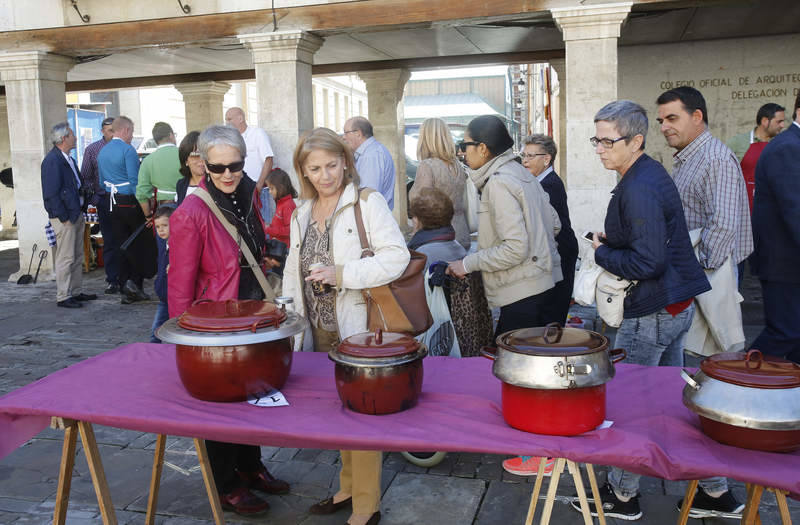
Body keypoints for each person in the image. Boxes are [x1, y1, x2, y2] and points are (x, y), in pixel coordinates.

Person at [569, 100, 710, 521]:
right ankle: (716, 490)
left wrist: (603, 252)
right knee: (672, 399)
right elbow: (654, 240)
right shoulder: (645, 173)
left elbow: (649, 263)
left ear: (636, 141)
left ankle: (622, 495)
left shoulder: (639, 186)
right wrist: (617, 237)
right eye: (596, 139)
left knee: (631, 402)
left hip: (652, 310)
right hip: (672, 304)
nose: (599, 148)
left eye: (608, 140)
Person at [283, 127, 409, 525]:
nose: (325, 176)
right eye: (315, 168)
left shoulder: (366, 203)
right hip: (316, 330)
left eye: (332, 165)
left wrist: (343, 273)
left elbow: (396, 257)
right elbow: (292, 270)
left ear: (346, 163)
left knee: (363, 415)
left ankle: (366, 505)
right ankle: (348, 487)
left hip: (359, 327)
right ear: (303, 172)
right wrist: (285, 316)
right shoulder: (301, 213)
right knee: (338, 413)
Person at [168, 125, 289, 516]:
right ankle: (226, 482)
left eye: (234, 165)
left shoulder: (247, 194)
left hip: (250, 311)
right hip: (214, 321)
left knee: (249, 392)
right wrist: (185, 337)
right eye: (217, 167)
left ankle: (250, 466)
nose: (227, 174)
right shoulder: (191, 211)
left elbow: (251, 244)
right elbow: (180, 281)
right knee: (218, 403)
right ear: (202, 164)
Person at [656, 86, 747, 518]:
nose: (664, 127)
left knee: (701, 383)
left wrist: (692, 275)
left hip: (705, 283)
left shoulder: (713, 158)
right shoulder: (692, 158)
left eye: (672, 118)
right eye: (661, 120)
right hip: (696, 282)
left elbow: (724, 228)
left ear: (698, 116)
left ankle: (719, 489)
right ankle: (715, 490)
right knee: (695, 384)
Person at [446, 115, 562, 335]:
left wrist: (467, 264)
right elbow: (554, 224)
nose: (462, 152)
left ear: (482, 148)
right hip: (541, 284)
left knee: (511, 363)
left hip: (522, 291)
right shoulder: (519, 172)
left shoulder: (499, 182)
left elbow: (516, 248)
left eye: (464, 145)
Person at [408, 187, 493, 358]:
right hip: (458, 332)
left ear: (417, 221)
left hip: (434, 335)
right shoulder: (457, 248)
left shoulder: (420, 255)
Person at [749, 91, 800, 364]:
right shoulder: (789, 148)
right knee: (785, 333)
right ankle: (735, 386)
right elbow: (796, 210)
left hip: (789, 264)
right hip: (785, 265)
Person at [520, 134, 578, 325]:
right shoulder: (539, 182)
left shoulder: (549, 185)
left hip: (560, 254)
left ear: (546, 159)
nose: (525, 160)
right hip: (554, 254)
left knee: (550, 317)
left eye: (530, 156)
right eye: (524, 155)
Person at [41, 122, 98, 308]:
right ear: (64, 138)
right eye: (72, 134)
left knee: (77, 255)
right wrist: (63, 217)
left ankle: (75, 291)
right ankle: (63, 296)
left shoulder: (68, 159)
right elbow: (51, 193)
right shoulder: (52, 161)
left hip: (76, 213)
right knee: (65, 257)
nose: (74, 137)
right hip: (66, 217)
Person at [97, 116, 150, 304]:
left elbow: (102, 181)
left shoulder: (102, 151)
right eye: (132, 132)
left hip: (111, 202)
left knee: (119, 243)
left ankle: (122, 283)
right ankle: (134, 284)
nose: (132, 136)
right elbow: (135, 181)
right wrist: (145, 205)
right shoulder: (128, 150)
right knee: (136, 243)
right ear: (126, 130)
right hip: (128, 201)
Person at [408, 118, 470, 249]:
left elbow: (424, 207)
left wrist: (415, 233)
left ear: (425, 138)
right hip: (461, 233)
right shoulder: (458, 165)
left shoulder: (427, 166)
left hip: (437, 239)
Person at [80, 116, 120, 294]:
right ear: (102, 131)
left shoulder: (124, 148)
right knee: (110, 240)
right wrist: (95, 198)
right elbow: (85, 178)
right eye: (110, 130)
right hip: (104, 201)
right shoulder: (92, 150)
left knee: (125, 239)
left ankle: (128, 277)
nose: (113, 133)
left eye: (115, 130)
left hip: (123, 199)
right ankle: (112, 280)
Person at [727, 102, 785, 212]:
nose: (782, 126)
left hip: (773, 210)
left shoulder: (782, 144)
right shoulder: (737, 143)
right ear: (764, 121)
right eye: (779, 122)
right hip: (743, 210)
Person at [225, 107, 275, 224]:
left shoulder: (257, 133)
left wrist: (258, 186)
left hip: (257, 192)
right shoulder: (230, 139)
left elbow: (268, 159)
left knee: (262, 226)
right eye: (226, 119)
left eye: (229, 119)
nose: (226, 123)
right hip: (237, 191)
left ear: (240, 118)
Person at [342, 116, 395, 209]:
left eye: (346, 133)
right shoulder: (372, 152)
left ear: (358, 133)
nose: (343, 137)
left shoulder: (371, 156)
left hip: (371, 218)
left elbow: (367, 197)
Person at [136, 121, 182, 216]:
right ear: (171, 135)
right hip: (187, 204)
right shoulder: (184, 155)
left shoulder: (148, 160)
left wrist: (148, 216)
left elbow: (142, 194)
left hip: (163, 208)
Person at [150, 204, 174, 343]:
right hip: (164, 297)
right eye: (158, 227)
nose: (161, 230)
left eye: (165, 225)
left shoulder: (179, 246)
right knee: (155, 332)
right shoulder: (164, 245)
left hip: (176, 297)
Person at [264, 168, 297, 247]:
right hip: (278, 246)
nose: (269, 192)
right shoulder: (280, 203)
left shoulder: (288, 205)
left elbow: (290, 230)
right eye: (269, 189)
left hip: (284, 250)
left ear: (281, 187)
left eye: (272, 188)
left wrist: (269, 229)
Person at [175, 131, 203, 205]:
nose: (201, 160)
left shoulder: (216, 183)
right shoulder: (181, 185)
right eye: (195, 155)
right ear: (186, 160)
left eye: (204, 154)